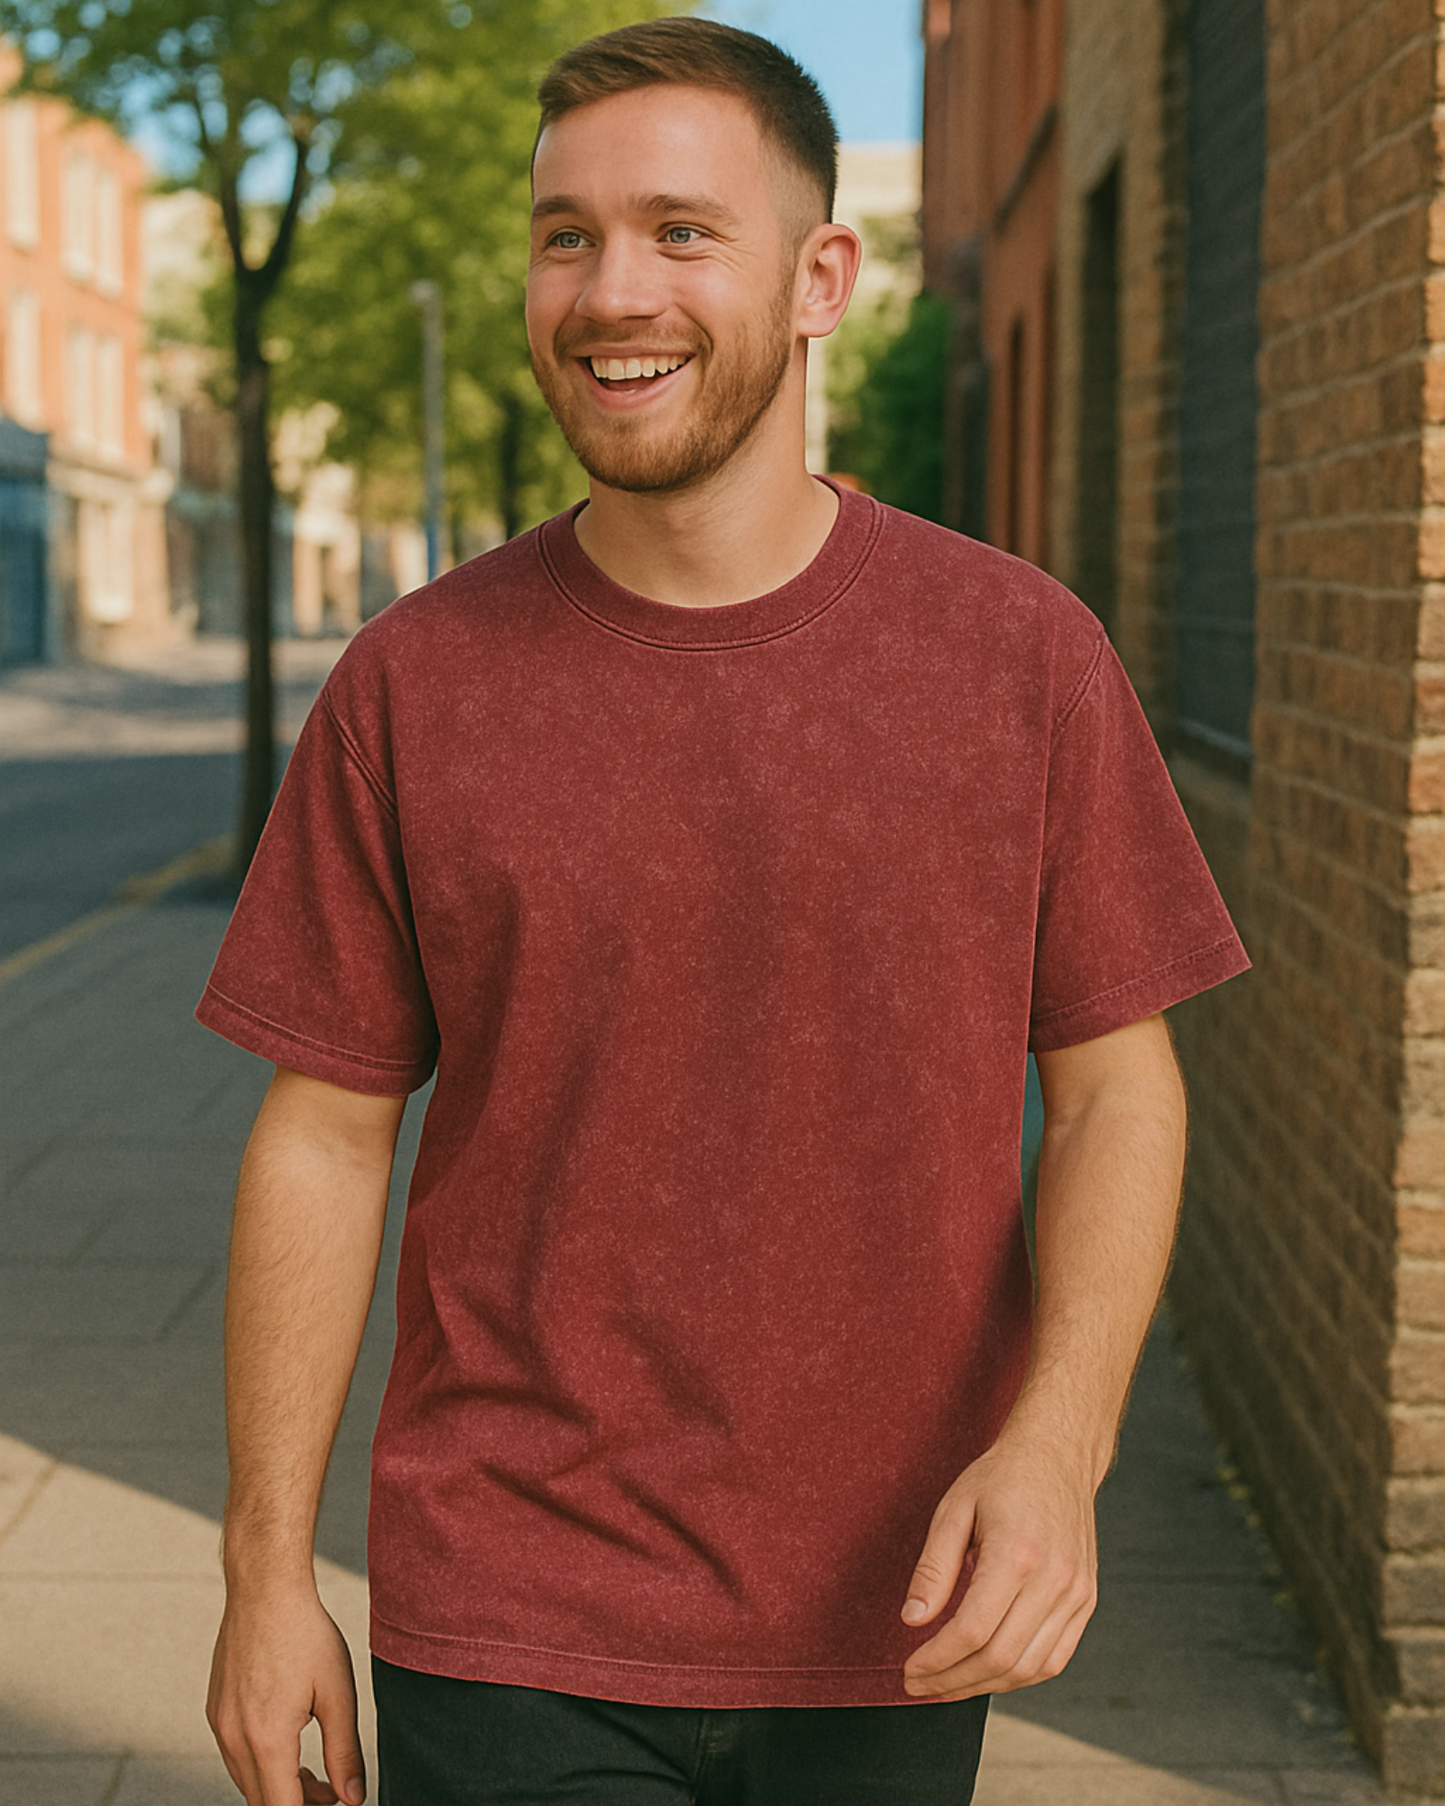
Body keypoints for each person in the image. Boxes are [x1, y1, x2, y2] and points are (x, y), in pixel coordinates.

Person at [199, 18, 1249, 1806]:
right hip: (510, 1601)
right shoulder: (411, 684)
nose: (613, 290)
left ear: (822, 274)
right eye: (567, 234)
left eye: (683, 231)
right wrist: (261, 1571)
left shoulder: (1021, 662)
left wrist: (1058, 1448)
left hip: (903, 1596)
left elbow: (1119, 1093)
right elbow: (323, 1134)